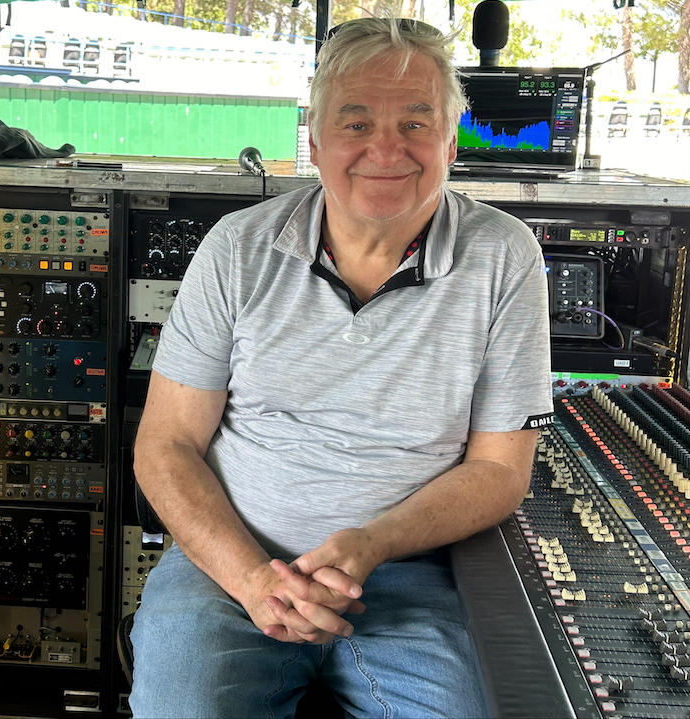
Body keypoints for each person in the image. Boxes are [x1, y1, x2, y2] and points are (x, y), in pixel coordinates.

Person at [130, 16, 553, 719]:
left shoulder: (506, 259)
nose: (385, 149)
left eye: (416, 123)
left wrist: (371, 542)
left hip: (412, 574)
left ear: (450, 142)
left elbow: (502, 471)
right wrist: (250, 579)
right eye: (355, 123)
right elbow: (166, 443)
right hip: (230, 565)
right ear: (317, 141)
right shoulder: (237, 249)